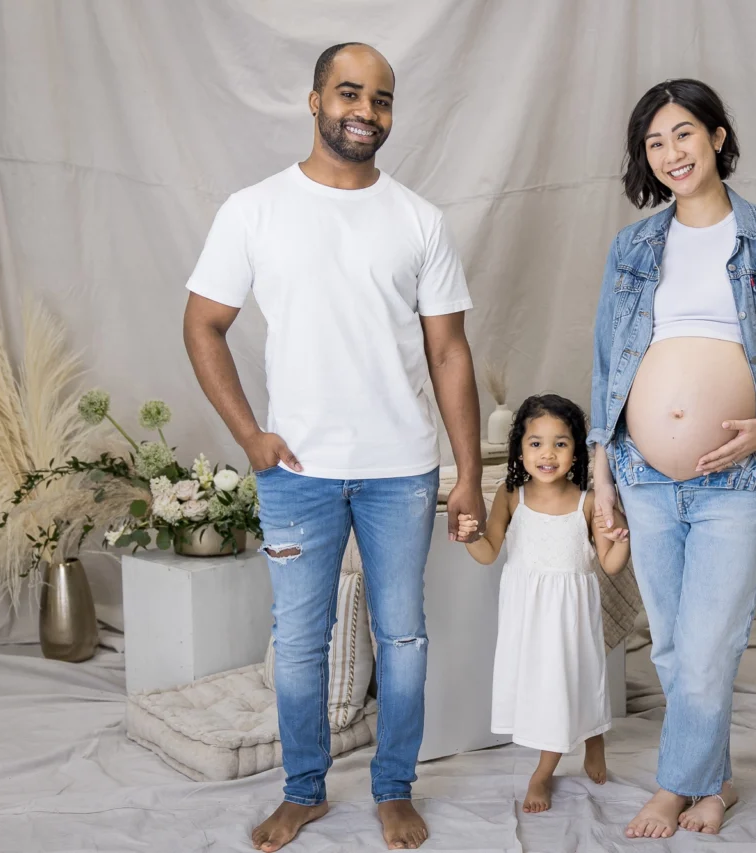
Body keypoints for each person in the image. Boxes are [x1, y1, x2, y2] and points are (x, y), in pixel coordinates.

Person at [182, 42, 487, 852]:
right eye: (349, 93)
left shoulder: (419, 219)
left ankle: (394, 788)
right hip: (297, 472)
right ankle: (304, 788)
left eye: (381, 100)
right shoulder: (253, 209)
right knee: (300, 642)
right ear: (314, 99)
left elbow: (450, 353)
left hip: (402, 469)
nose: (366, 111)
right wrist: (250, 434)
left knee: (404, 636)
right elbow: (202, 323)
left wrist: (467, 474)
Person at [588, 79, 756, 839]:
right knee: (671, 642)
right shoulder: (633, 245)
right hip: (643, 472)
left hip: (736, 475)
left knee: (709, 642)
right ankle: (715, 780)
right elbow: (606, 367)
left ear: (719, 137)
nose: (670, 154)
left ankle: (673, 787)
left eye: (684, 134)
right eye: (655, 142)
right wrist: (601, 478)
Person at [456, 394, 631, 813]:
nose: (547, 454)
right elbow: (489, 552)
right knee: (551, 688)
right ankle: (593, 736)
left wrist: (624, 536)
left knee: (573, 680)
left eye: (560, 443)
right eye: (536, 443)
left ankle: (543, 773)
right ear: (519, 448)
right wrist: (470, 537)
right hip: (527, 617)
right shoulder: (510, 495)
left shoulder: (587, 502)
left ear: (577, 451)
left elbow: (609, 563)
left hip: (569, 616)